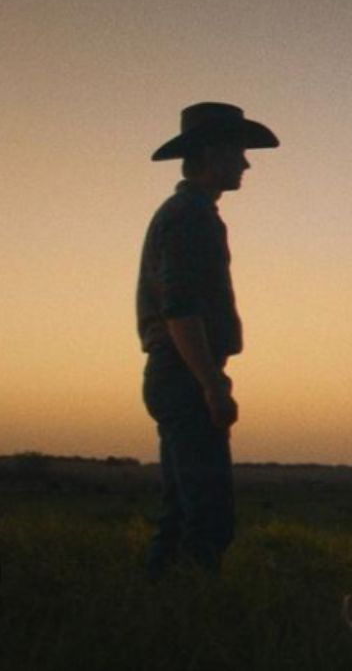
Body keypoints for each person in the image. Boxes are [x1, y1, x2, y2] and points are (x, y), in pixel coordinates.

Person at [137, 102, 279, 579]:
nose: (245, 163)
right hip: (183, 372)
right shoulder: (190, 216)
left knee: (182, 507)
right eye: (238, 151)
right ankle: (189, 605)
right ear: (212, 153)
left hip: (178, 371)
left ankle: (159, 600)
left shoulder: (189, 213)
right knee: (207, 512)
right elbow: (180, 309)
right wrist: (211, 384)